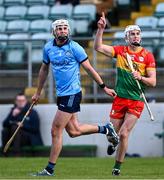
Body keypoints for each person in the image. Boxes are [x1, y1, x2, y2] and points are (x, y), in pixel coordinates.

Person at [31, 19, 119, 176]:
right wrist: (38, 92)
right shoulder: (48, 48)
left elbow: (90, 69)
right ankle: (106, 129)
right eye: (59, 29)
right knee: (74, 130)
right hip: (62, 94)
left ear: (68, 31)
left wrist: (103, 87)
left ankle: (49, 169)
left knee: (55, 130)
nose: (62, 31)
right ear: (54, 32)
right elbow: (44, 70)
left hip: (72, 93)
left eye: (65, 28)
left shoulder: (75, 48)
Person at [94, 12, 156, 176]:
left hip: (136, 100)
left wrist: (140, 77)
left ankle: (117, 168)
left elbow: (153, 82)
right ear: (126, 38)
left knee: (123, 134)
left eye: (137, 33)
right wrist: (100, 30)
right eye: (132, 34)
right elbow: (98, 47)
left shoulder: (147, 56)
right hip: (120, 99)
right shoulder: (120, 51)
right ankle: (112, 143)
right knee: (112, 135)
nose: (135, 36)